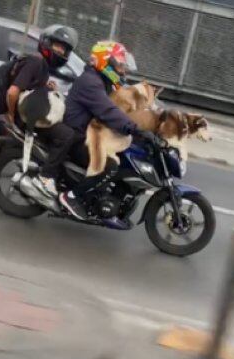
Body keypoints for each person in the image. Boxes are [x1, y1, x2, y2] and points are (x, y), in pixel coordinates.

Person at [57, 41, 159, 225]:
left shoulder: (103, 82)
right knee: (109, 166)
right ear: (105, 63)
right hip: (77, 136)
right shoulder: (91, 83)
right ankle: (72, 196)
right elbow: (108, 112)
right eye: (119, 66)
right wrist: (134, 129)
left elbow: (120, 109)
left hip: (89, 132)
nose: (123, 71)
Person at [0, 24, 78, 198]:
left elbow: (30, 87)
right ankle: (46, 178)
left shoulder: (42, 65)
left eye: (64, 49)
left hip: (32, 112)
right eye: (57, 46)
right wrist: (10, 114)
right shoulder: (35, 62)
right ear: (46, 43)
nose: (60, 52)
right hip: (26, 117)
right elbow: (13, 91)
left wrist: (45, 85)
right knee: (67, 135)